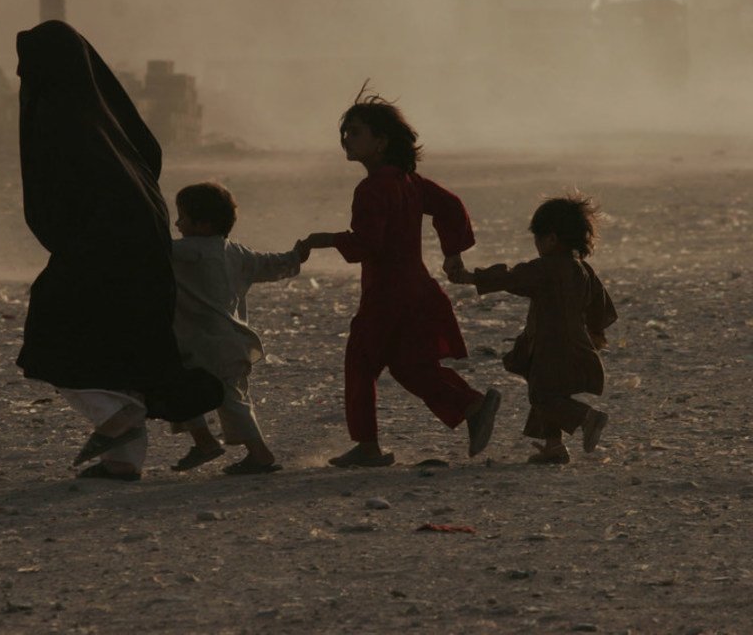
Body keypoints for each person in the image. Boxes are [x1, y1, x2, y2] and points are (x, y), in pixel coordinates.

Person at [15, 20, 220, 482]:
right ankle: (122, 461)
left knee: (51, 334)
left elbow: (59, 194)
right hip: (142, 252)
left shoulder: (60, 117)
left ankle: (116, 420)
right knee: (125, 346)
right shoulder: (108, 121)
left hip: (100, 251)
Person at [300, 85, 500, 467]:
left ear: (381, 141)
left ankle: (368, 446)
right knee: (411, 366)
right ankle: (471, 405)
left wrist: (322, 239)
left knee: (360, 363)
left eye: (355, 132)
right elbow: (451, 206)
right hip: (418, 290)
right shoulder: (410, 182)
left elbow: (368, 244)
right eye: (345, 132)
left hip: (387, 294)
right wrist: (452, 254)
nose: (346, 139)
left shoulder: (373, 188)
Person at [448, 194, 617, 464]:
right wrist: (596, 332)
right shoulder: (583, 270)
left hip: (551, 346)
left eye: (538, 239)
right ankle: (553, 447)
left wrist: (471, 277)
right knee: (553, 393)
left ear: (550, 239)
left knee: (543, 396)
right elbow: (600, 306)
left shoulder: (547, 268)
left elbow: (513, 277)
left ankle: (586, 418)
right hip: (575, 344)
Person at [169, 182, 308, 475]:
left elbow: (146, 253)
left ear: (203, 224)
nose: (177, 223)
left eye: (182, 217)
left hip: (201, 344)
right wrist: (296, 256)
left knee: (189, 392)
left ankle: (256, 453)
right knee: (232, 398)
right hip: (232, 343)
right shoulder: (236, 252)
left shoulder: (185, 251)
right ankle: (213, 444)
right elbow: (271, 264)